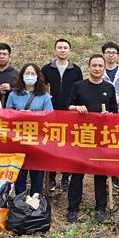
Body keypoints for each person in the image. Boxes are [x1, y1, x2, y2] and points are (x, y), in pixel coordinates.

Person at [66, 54, 118, 224]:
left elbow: (115, 112)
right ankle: (73, 208)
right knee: (77, 173)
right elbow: (67, 107)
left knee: (100, 173)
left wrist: (108, 114)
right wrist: (76, 108)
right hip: (81, 136)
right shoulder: (78, 86)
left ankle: (100, 208)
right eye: (94, 65)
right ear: (88, 67)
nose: (97, 68)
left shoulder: (109, 87)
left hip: (101, 137)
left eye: (100, 66)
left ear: (104, 68)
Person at [6, 63, 53, 197]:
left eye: (33, 74)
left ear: (38, 77)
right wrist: (18, 114)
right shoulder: (13, 95)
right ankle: (20, 201)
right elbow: (7, 115)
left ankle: (34, 201)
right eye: (27, 73)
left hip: (37, 140)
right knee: (20, 172)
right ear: (22, 76)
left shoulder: (44, 96)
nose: (30, 76)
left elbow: (50, 116)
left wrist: (33, 115)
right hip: (18, 140)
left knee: (37, 174)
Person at [42, 38, 83, 191]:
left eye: (65, 48)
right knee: (52, 145)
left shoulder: (76, 69)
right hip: (51, 113)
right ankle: (51, 177)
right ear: (55, 50)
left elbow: (79, 89)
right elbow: (41, 88)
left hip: (69, 113)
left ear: (69, 51)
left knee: (67, 146)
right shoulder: (46, 69)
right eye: (59, 47)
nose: (62, 50)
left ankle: (66, 177)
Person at [102, 41, 119, 189]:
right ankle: (103, 171)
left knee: (116, 143)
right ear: (104, 54)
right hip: (103, 113)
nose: (111, 55)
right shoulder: (99, 70)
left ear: (118, 55)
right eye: (108, 52)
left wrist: (115, 102)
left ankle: (115, 174)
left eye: (114, 53)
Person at [0, 43, 20, 108]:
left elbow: (22, 93)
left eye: (4, 54)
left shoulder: (17, 75)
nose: (2, 56)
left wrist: (10, 89)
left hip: (12, 111)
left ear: (9, 56)